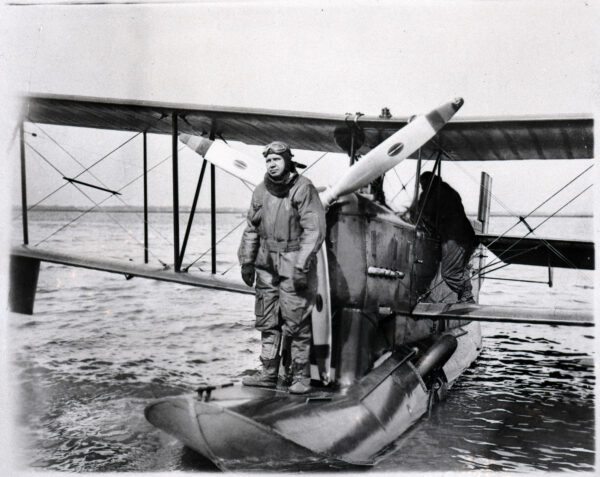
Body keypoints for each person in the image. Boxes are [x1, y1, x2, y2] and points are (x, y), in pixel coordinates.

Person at [238, 141, 326, 394]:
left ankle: (301, 377)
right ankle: (267, 373)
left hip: (293, 262)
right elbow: (252, 228)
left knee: (295, 321)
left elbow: (314, 229)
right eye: (268, 161)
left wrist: (302, 264)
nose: (272, 165)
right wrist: (247, 261)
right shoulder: (260, 191)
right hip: (266, 264)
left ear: (287, 161)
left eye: (277, 160)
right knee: (267, 320)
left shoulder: (303, 188)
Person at [414, 171, 477, 303]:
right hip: (464, 235)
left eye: (423, 184)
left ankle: (466, 296)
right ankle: (465, 296)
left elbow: (425, 213)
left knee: (449, 274)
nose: (422, 187)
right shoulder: (447, 191)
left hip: (455, 237)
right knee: (459, 270)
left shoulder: (436, 194)